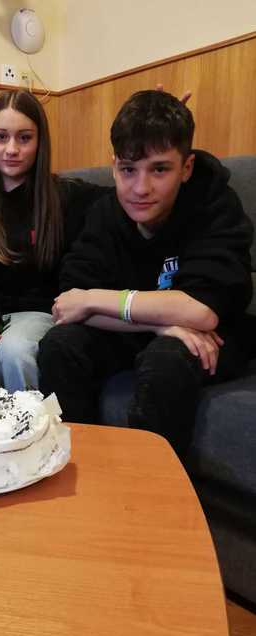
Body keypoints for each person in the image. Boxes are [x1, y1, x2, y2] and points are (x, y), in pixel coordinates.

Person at [38, 89, 253, 458]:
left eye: (159, 169)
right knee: (60, 346)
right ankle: (78, 469)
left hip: (212, 336)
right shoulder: (105, 213)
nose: (140, 188)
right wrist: (158, 324)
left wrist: (95, 299)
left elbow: (201, 311)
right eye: (128, 170)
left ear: (186, 167)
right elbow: (68, 306)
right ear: (113, 166)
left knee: (167, 359)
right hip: (140, 332)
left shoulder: (213, 202)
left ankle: (153, 489)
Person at [0, 89, 110, 392]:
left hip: (37, 314)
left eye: (24, 138)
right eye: (1, 137)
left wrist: (150, 139)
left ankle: (23, 421)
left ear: (40, 142)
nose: (11, 149)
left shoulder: (66, 196)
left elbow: (129, 194)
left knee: (15, 352)